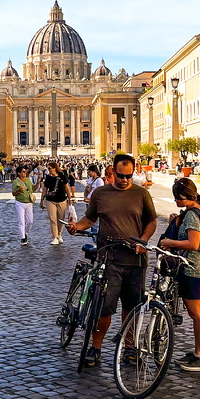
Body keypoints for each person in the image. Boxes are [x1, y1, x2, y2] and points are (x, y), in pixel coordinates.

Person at [66, 153, 158, 369]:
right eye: (120, 175)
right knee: (103, 308)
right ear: (112, 172)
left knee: (132, 307)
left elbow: (151, 222)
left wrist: (143, 240)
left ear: (133, 172)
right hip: (109, 258)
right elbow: (90, 219)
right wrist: (76, 227)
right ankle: (95, 348)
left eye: (128, 176)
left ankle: (130, 348)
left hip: (135, 259)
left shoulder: (141, 194)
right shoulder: (100, 194)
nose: (124, 180)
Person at [158, 177, 200, 372]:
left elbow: (193, 244)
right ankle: (198, 354)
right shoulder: (195, 211)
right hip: (195, 270)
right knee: (194, 314)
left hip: (193, 270)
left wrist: (169, 243)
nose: (176, 202)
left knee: (198, 315)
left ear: (185, 196)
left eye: (177, 198)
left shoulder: (192, 214)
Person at [40, 160, 73, 245]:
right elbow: (44, 190)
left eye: (50, 168)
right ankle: (55, 237)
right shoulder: (48, 178)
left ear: (55, 168)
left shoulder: (62, 176)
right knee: (53, 220)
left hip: (62, 200)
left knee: (61, 219)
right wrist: (41, 200)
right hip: (50, 200)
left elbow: (67, 188)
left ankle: (59, 234)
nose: (49, 169)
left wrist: (70, 198)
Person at [12, 165, 35, 244]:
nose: (25, 173)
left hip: (29, 202)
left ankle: (26, 233)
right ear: (19, 173)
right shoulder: (16, 182)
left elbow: (33, 189)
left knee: (30, 221)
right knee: (21, 221)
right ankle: (23, 237)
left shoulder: (28, 180)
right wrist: (19, 190)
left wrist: (38, 182)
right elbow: (13, 193)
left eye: (25, 172)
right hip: (20, 203)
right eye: (23, 172)